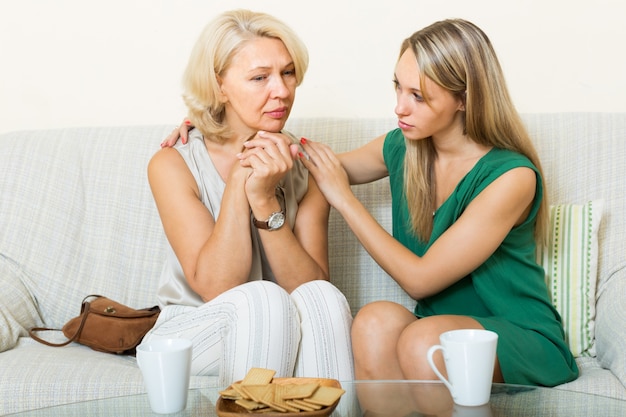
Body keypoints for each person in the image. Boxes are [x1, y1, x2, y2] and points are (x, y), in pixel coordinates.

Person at [297, 18, 578, 388]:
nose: (400, 107)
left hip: (519, 336)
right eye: (398, 87)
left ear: (464, 99)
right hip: (432, 332)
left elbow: (420, 280)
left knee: (427, 342)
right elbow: (318, 167)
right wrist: (227, 135)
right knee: (372, 322)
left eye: (418, 96)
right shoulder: (402, 147)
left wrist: (345, 200)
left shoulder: (511, 177)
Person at [144, 9, 353, 387]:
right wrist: (242, 177)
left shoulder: (308, 165)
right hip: (191, 331)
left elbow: (309, 287)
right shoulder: (172, 163)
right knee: (264, 300)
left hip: (281, 324)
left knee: (323, 299)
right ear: (219, 84)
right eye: (260, 78)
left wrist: (265, 202)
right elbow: (218, 286)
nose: (283, 91)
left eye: (288, 73)